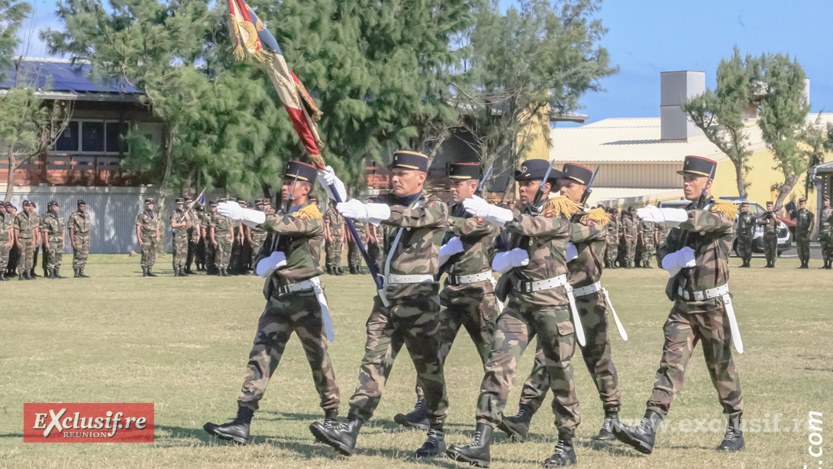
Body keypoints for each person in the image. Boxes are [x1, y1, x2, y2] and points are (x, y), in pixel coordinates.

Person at [309, 150, 449, 458]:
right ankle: (352, 427)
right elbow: (360, 207)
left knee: (428, 370)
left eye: (402, 174)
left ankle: (436, 430)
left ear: (421, 178)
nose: (395, 178)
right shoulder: (388, 201)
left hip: (418, 301)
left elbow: (408, 218)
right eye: (393, 173)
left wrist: (371, 212)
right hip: (386, 300)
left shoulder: (435, 206)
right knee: (372, 365)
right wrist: (336, 187)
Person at [446, 159, 580, 468]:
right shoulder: (519, 214)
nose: (521, 188)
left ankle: (566, 445)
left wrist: (493, 211)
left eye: (528, 183)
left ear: (545, 186)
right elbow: (495, 249)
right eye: (519, 183)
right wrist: (505, 257)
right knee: (498, 366)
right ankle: (481, 441)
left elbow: (531, 227)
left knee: (559, 373)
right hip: (519, 303)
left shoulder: (559, 211)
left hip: (552, 305)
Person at [615, 155, 744, 454]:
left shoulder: (723, 213)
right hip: (685, 306)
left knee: (721, 369)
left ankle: (735, 430)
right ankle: (648, 428)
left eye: (692, 178)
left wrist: (664, 216)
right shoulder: (683, 217)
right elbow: (664, 251)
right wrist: (671, 261)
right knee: (670, 366)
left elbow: (703, 222)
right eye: (684, 178)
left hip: (713, 306)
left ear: (708, 183)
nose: (685, 183)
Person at [204, 161, 340, 445]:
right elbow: (266, 248)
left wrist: (244, 214)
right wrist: (263, 266)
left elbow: (285, 225)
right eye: (285, 181)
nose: (284, 186)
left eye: (292, 182)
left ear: (306, 188)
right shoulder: (281, 214)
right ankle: (242, 421)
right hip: (279, 298)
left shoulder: (312, 216)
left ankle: (332, 419)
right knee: (260, 356)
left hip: (305, 298)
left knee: (318, 359)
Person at [497, 163, 621, 447]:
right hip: (557, 300)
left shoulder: (594, 218)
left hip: (586, 300)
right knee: (545, 360)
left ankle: (612, 418)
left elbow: (568, 234)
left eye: (571, 186)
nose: (563, 190)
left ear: (584, 192)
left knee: (598, 360)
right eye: (561, 184)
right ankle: (523, 417)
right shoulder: (549, 215)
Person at [393, 162, 501, 431]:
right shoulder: (449, 209)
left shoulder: (486, 213)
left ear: (473, 186)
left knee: (493, 357)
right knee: (432, 352)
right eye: (450, 184)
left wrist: (438, 219)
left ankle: (494, 412)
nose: (452, 188)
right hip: (450, 292)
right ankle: (425, 408)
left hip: (478, 294)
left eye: (458, 184)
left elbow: (471, 227)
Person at [40, 201, 66, 279]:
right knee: (51, 256)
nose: (56, 208)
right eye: (54, 206)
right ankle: (51, 273)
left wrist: (63, 241)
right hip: (51, 240)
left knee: (58, 256)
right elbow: (45, 231)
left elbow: (63, 231)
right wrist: (46, 242)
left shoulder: (60, 218)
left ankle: (57, 272)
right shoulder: (47, 218)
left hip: (59, 240)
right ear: (50, 208)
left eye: (56, 206)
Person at [136, 198, 160, 278]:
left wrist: (158, 235)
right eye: (149, 204)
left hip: (153, 237)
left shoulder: (154, 214)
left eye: (152, 204)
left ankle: (150, 270)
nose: (151, 205)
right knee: (145, 254)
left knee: (152, 254)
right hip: (146, 237)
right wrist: (139, 238)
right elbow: (138, 226)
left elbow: (157, 226)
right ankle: (145, 271)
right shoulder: (142, 215)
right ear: (145, 205)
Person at [14, 201, 37, 280]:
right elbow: (16, 229)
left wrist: (34, 240)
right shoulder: (19, 216)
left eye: (28, 206)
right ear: (23, 206)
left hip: (30, 239)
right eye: (25, 206)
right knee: (22, 257)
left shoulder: (32, 216)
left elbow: (33, 229)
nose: (27, 207)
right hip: (22, 239)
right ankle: (21, 274)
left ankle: (28, 274)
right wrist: (17, 241)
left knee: (30, 257)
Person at [210, 199, 234, 277]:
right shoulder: (216, 215)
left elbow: (231, 227)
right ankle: (219, 269)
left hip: (227, 236)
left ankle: (225, 269)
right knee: (219, 253)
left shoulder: (229, 215)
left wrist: (232, 237)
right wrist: (213, 239)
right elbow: (212, 228)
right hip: (219, 235)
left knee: (227, 253)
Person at [68, 200, 91, 278]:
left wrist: (89, 240)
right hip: (77, 237)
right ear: (78, 206)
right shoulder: (73, 216)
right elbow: (71, 228)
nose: (83, 208)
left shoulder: (87, 215)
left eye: (84, 206)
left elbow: (88, 229)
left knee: (84, 255)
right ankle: (76, 272)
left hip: (86, 237)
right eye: (81, 206)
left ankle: (82, 271)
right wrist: (72, 240)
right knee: (78, 255)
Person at [247, 199, 269, 276]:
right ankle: (255, 269)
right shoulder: (253, 214)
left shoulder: (267, 214)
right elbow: (248, 227)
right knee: (256, 252)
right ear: (256, 206)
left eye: (262, 204)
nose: (261, 206)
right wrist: (249, 237)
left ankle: (262, 269)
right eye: (259, 205)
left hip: (265, 234)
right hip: (256, 235)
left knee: (264, 253)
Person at [323, 200, 345, 276]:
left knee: (338, 252)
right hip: (332, 234)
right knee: (330, 252)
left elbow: (342, 225)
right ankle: (330, 267)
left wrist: (342, 236)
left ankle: (336, 267)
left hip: (339, 235)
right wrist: (328, 235)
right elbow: (327, 225)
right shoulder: (329, 212)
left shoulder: (341, 212)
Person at [171, 198, 189, 276]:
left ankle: (182, 269)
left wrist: (187, 219)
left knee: (184, 252)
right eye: (179, 204)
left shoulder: (185, 213)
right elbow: (173, 224)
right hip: (177, 235)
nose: (180, 206)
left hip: (184, 235)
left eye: (181, 204)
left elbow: (188, 226)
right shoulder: (174, 213)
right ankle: (176, 270)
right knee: (177, 252)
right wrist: (182, 224)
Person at [758, 201, 779, 268]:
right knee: (767, 250)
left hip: (772, 234)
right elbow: (759, 221)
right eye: (767, 206)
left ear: (772, 207)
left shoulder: (775, 214)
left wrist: (774, 217)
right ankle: (768, 263)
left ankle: (773, 263)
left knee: (773, 250)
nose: (768, 208)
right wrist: (765, 221)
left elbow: (779, 223)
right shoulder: (765, 214)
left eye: (769, 206)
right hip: (766, 234)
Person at [795, 198, 814, 269]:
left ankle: (806, 263)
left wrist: (809, 232)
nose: (801, 205)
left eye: (802, 204)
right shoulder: (798, 213)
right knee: (800, 250)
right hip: (799, 234)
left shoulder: (809, 213)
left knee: (806, 250)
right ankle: (802, 263)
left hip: (805, 234)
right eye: (800, 204)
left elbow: (812, 223)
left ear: (805, 204)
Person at [735, 202, 755, 268]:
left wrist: (753, 234)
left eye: (744, 207)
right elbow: (739, 224)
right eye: (742, 207)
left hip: (747, 233)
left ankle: (748, 263)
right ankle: (744, 262)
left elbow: (754, 225)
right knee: (741, 248)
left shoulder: (751, 215)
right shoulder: (741, 215)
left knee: (748, 249)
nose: (743, 208)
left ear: (747, 207)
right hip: (741, 233)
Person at [203, 202, 217, 275]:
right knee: (209, 254)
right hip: (208, 237)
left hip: (217, 237)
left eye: (215, 206)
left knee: (217, 254)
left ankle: (216, 268)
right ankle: (209, 269)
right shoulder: (206, 216)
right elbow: (203, 228)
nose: (214, 208)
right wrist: (204, 238)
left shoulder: (218, 215)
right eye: (212, 207)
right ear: (209, 207)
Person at [0, 203, 13, 281]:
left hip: (6, 241)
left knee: (5, 259)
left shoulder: (8, 217)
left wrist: (11, 240)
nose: (2, 209)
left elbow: (10, 229)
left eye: (3, 208)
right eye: (0, 208)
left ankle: (2, 275)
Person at [29, 202, 41, 278]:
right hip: (28, 238)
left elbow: (39, 229)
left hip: (36, 239)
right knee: (28, 256)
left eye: (32, 206)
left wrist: (38, 239)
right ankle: (27, 272)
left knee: (35, 256)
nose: (30, 208)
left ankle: (32, 271)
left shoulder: (37, 217)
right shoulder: (25, 216)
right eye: (29, 206)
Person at [821, 196, 833, 269]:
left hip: (830, 233)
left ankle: (830, 264)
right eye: (824, 201)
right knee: (824, 249)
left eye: (826, 201)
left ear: (829, 202)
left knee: (830, 249)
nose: (825, 202)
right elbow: (820, 222)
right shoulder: (821, 210)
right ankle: (825, 264)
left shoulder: (832, 211)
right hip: (823, 232)